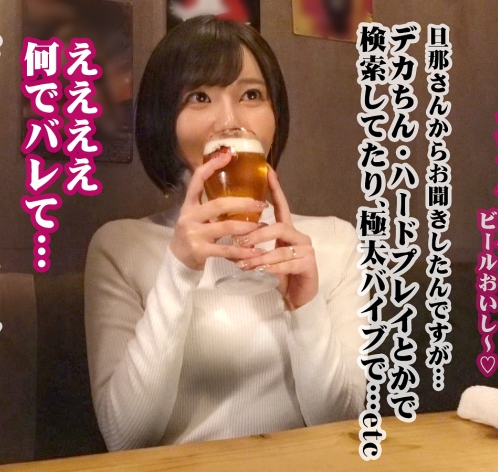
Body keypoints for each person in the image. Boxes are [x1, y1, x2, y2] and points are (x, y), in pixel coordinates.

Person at [84, 15, 368, 452]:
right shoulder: (120, 248)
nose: (230, 121)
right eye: (200, 97)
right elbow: (125, 439)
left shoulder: (334, 241)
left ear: (275, 116)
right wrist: (178, 271)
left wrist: (304, 306)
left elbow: (342, 426)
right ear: (166, 121)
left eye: (251, 95)